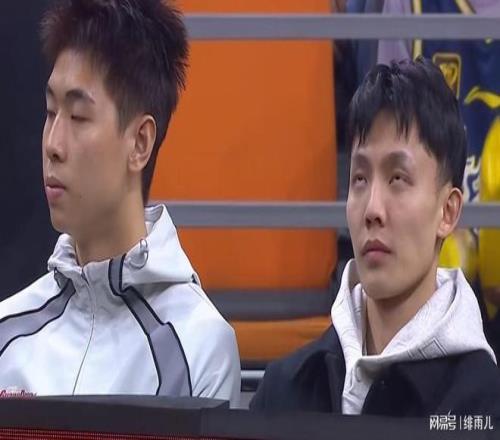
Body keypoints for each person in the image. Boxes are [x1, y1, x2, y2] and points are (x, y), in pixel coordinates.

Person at [0, 0, 240, 406]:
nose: (53, 145)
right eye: (50, 112)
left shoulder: (198, 347)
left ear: (140, 143)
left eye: (78, 117)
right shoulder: (7, 332)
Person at [250, 57, 500, 416]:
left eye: (398, 178)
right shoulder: (283, 393)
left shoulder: (485, 407)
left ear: (448, 211)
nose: (372, 209)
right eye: (360, 179)